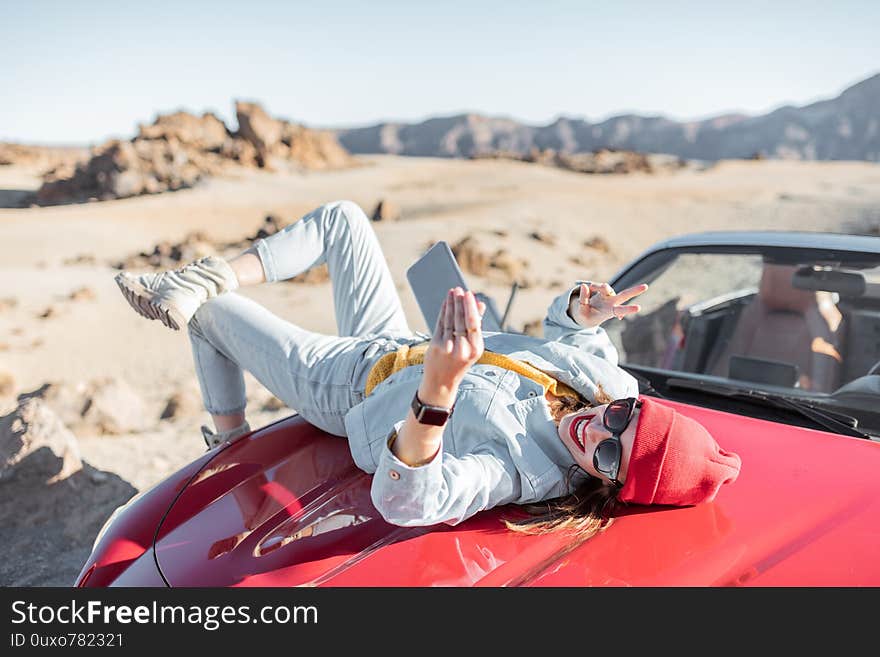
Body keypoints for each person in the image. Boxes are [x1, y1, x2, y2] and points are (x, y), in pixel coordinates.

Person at [115, 200, 741, 537]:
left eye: (610, 456)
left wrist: (438, 390)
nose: (598, 430)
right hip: (395, 339)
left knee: (209, 311)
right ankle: (193, 281)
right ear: (636, 402)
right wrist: (581, 311)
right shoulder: (608, 387)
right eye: (625, 417)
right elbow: (565, 335)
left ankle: (226, 445)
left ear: (607, 485)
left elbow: (410, 499)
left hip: (347, 384)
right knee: (343, 221)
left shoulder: (520, 469)